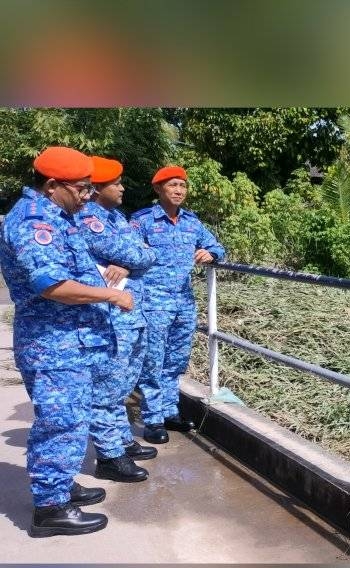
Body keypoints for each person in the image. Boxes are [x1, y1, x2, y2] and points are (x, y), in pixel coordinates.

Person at [0, 147, 134, 537]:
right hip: (53, 344)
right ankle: (50, 508)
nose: (88, 196)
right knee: (60, 423)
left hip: (70, 343)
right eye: (81, 189)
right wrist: (113, 296)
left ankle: (58, 483)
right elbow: (52, 285)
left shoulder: (60, 216)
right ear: (53, 185)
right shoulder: (33, 222)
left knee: (71, 421)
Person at [132, 166, 225, 444]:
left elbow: (217, 247)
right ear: (159, 189)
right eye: (172, 185)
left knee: (175, 361)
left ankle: (170, 412)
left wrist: (211, 253)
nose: (178, 191)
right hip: (153, 301)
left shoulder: (191, 222)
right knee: (152, 361)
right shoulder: (143, 221)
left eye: (182, 186)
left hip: (183, 303)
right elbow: (126, 254)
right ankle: (152, 419)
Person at [79, 156, 159, 478]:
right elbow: (139, 253)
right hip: (109, 317)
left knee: (123, 384)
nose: (122, 188)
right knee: (107, 388)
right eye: (116, 183)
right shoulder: (89, 219)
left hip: (131, 312)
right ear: (97, 189)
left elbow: (148, 253)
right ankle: (109, 457)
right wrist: (134, 258)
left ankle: (122, 441)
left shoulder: (117, 218)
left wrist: (128, 263)